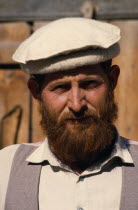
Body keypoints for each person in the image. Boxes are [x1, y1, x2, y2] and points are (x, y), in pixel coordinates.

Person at [0, 17, 138, 210]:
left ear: (113, 81)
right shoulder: (4, 169)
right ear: (35, 92)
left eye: (89, 84)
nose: (76, 104)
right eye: (61, 87)